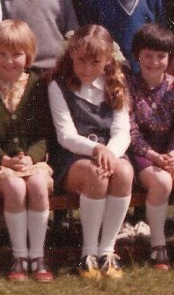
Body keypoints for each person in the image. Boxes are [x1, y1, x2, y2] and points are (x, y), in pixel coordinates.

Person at [0, 20, 54, 282]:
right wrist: (3, 158)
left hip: (32, 161)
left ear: (28, 55)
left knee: (37, 184)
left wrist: (30, 157)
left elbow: (46, 134)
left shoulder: (37, 86)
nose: (8, 61)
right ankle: (19, 256)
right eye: (2, 54)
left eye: (16, 54)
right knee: (15, 188)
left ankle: (37, 256)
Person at [47, 25, 133, 279]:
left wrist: (110, 152)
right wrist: (97, 149)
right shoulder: (59, 86)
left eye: (94, 62)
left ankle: (107, 250)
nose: (86, 69)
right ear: (71, 55)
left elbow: (122, 130)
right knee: (97, 175)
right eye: (81, 61)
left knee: (125, 173)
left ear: (108, 60)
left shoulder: (115, 84)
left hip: (109, 152)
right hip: (75, 157)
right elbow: (65, 135)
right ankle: (88, 252)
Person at [127, 24, 174, 270]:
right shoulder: (128, 86)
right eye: (148, 55)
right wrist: (155, 156)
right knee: (162, 182)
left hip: (173, 150)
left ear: (169, 58)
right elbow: (131, 131)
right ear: (137, 55)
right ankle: (158, 245)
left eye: (161, 56)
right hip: (143, 153)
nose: (154, 62)